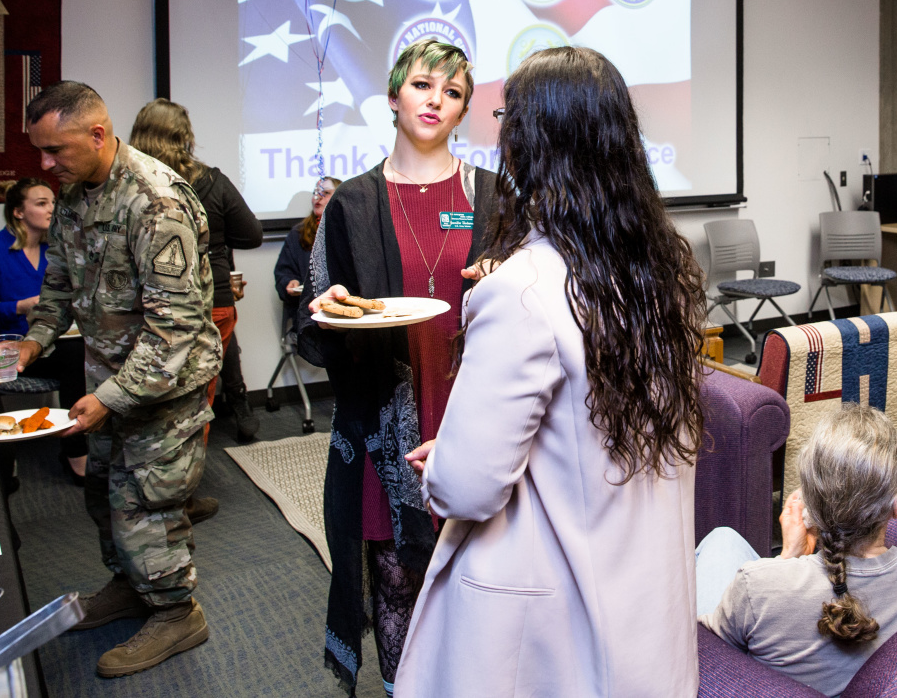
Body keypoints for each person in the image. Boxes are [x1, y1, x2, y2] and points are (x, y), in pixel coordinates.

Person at [390, 46, 707, 698]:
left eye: (505, 117)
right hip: (649, 630)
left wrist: (452, 457)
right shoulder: (662, 279)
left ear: (528, 145)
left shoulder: (522, 290)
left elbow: (466, 491)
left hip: (558, 642)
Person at [302, 40, 495, 697]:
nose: (436, 98)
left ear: (464, 109)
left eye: (453, 91)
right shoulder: (353, 204)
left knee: (481, 569)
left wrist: (508, 276)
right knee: (395, 576)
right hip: (389, 421)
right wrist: (324, 306)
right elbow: (316, 316)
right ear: (393, 97)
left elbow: (541, 303)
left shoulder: (494, 196)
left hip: (477, 413)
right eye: (421, 84)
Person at [10, 81, 220, 678]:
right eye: (40, 152)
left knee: (145, 505)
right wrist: (35, 340)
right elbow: (60, 285)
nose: (45, 165)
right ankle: (133, 588)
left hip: (163, 389)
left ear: (97, 135)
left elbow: (174, 330)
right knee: (103, 495)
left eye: (55, 150)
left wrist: (109, 398)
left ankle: (178, 611)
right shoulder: (75, 196)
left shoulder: (156, 202)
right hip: (107, 380)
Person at [698, 405, 897, 698]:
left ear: (810, 508)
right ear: (896, 504)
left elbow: (709, 655)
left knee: (721, 540)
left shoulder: (758, 587)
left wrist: (788, 558)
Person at [129, 99, 264, 445]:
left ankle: (158, 486)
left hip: (142, 302)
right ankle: (183, 490)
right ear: (185, 136)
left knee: (149, 392)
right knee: (198, 392)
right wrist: (214, 241)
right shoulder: (211, 182)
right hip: (211, 298)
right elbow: (251, 234)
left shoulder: (128, 183)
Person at [0, 177, 88, 482]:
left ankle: (94, 443)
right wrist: (18, 307)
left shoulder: (55, 251)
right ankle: (76, 451)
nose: (51, 209)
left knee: (90, 350)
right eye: (41, 204)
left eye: (53, 202)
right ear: (18, 212)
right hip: (12, 351)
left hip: (56, 343)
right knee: (77, 355)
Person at [274, 175, 339, 339]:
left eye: (326, 193)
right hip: (308, 314)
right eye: (315, 192)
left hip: (342, 312)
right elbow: (283, 273)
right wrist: (289, 282)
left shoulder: (349, 230)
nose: (318, 197)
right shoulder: (298, 233)